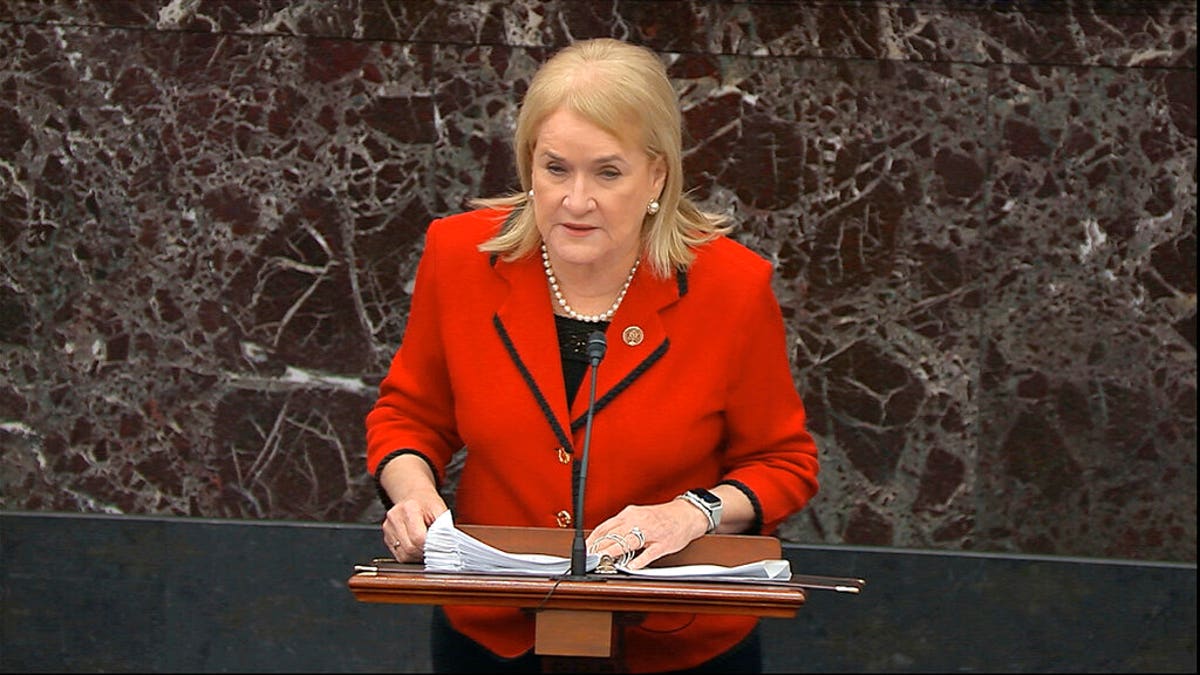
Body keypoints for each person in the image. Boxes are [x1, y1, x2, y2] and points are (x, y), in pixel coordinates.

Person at [365, 37, 820, 673]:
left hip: (677, 637)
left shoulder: (731, 287)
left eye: (607, 172)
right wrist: (412, 495)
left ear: (656, 173)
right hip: (495, 628)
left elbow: (783, 460)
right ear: (528, 165)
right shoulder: (459, 256)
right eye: (556, 169)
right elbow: (410, 416)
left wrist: (691, 513)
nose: (576, 201)